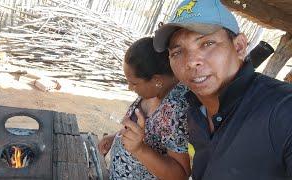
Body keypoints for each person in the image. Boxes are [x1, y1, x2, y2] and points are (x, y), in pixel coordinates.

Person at [152, 0, 292, 179]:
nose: (190, 61)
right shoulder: (194, 112)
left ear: (239, 46)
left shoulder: (283, 110)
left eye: (207, 43)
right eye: (177, 52)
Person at [98, 37, 191, 179]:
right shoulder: (153, 91)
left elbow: (180, 175)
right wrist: (116, 137)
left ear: (156, 80)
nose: (130, 88)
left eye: (134, 83)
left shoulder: (177, 109)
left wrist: (139, 149)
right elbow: (142, 130)